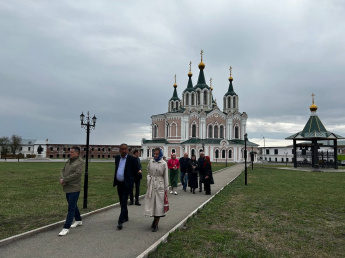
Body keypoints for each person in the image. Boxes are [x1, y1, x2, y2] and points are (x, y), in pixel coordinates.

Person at [58, 146, 84, 236]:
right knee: (72, 204)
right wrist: (62, 179)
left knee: (71, 207)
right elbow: (63, 170)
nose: (70, 153)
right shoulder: (69, 160)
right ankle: (78, 220)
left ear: (77, 153)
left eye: (72, 152)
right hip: (67, 187)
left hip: (74, 187)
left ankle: (66, 227)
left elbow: (77, 174)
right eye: (70, 152)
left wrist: (64, 180)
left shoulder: (80, 162)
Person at [113, 143, 139, 230]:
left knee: (124, 201)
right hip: (119, 183)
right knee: (121, 201)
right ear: (120, 150)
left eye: (125, 149)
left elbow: (136, 171)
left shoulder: (132, 159)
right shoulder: (117, 158)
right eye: (122, 149)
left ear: (128, 150)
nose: (124, 151)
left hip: (127, 184)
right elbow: (117, 168)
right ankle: (126, 216)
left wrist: (131, 180)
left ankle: (120, 221)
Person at [144, 148, 169, 232]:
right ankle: (154, 220)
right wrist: (148, 179)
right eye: (154, 153)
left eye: (157, 154)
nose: (155, 155)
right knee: (152, 204)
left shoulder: (163, 163)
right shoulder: (151, 162)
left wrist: (166, 188)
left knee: (159, 205)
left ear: (160, 154)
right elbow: (148, 171)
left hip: (160, 185)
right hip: (152, 184)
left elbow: (166, 176)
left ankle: (156, 224)